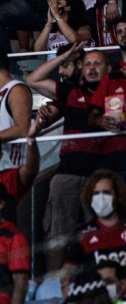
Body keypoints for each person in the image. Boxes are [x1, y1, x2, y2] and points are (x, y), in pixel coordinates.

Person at [28, 43, 109, 269]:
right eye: (88, 65)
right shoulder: (70, 93)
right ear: (82, 69)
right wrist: (64, 56)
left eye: (97, 64)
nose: (92, 69)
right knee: (59, 237)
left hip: (105, 173)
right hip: (69, 174)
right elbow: (32, 80)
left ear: (108, 69)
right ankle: (54, 288)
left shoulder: (116, 92)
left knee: (105, 235)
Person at [63, 170, 126, 280]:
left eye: (106, 192)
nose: (101, 198)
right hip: (96, 295)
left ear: (118, 196)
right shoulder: (82, 232)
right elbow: (69, 267)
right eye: (96, 193)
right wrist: (65, 285)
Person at [89, 20, 126, 177]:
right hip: (115, 156)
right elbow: (92, 117)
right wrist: (99, 121)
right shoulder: (111, 76)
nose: (124, 34)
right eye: (119, 32)